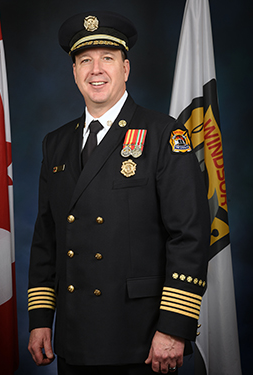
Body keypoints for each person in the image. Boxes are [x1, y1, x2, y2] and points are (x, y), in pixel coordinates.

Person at [27, 11, 210, 375]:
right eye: (85, 61)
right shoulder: (56, 144)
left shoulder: (164, 135)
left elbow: (189, 236)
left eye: (107, 59)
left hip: (141, 339)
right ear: (74, 72)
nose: (96, 70)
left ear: (126, 68)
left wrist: (174, 328)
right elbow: (46, 239)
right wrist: (41, 319)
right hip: (74, 339)